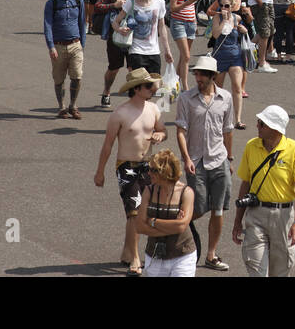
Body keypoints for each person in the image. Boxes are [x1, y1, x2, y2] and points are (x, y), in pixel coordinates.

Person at [93, 67, 166, 276]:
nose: (152, 89)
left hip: (148, 166)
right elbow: (107, 146)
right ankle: (135, 258)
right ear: (136, 89)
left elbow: (163, 129)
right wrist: (100, 172)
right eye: (148, 86)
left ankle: (127, 252)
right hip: (126, 167)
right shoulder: (120, 114)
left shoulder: (153, 109)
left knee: (141, 213)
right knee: (135, 213)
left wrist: (161, 135)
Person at [231, 104, 295, 277]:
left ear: (275, 129)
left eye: (262, 123)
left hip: (283, 217)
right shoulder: (251, 146)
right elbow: (245, 184)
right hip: (256, 215)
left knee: (281, 271)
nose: (257, 126)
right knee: (257, 270)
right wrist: (238, 221)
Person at [174, 55, 234, 272]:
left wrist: (230, 158)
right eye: (196, 74)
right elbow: (180, 130)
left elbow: (228, 131)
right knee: (198, 206)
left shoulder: (226, 98)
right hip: (196, 161)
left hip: (219, 159)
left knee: (218, 209)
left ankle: (211, 255)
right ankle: (177, 224)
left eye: (201, 75)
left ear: (212, 77)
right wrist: (187, 158)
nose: (197, 78)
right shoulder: (185, 98)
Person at [137, 149, 197, 277]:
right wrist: (173, 226)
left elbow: (181, 226)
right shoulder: (149, 190)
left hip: (183, 255)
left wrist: (152, 221)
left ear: (165, 171)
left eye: (153, 170)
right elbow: (139, 226)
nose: (148, 173)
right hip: (155, 255)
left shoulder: (186, 192)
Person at [44, 0, 88, 119]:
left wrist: (82, 43)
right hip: (58, 46)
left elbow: (82, 23)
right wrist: (51, 46)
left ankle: (73, 105)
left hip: (76, 45)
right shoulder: (52, 3)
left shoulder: (78, 1)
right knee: (59, 79)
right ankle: (61, 107)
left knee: (77, 76)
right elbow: (47, 26)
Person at [115, 0, 172, 76]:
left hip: (154, 51)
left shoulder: (159, 2)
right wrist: (119, 30)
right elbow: (115, 22)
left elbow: (162, 27)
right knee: (140, 84)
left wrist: (167, 50)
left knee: (155, 85)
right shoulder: (131, 3)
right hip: (136, 51)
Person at [209, 0, 251, 130]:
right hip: (220, 56)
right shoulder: (217, 17)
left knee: (237, 87)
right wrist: (224, 21)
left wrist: (243, 30)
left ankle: (237, 119)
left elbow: (244, 31)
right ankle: (218, 116)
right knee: (218, 89)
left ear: (232, 7)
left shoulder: (237, 18)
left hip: (235, 55)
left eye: (226, 6)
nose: (223, 8)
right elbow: (215, 34)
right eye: (221, 5)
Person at [96, 0, 136, 108]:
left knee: (134, 69)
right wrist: (114, 5)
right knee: (114, 68)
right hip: (115, 34)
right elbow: (98, 6)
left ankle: (135, 100)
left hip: (133, 35)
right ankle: (106, 92)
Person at [166, 0, 199, 89]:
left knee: (184, 56)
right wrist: (189, 1)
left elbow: (193, 7)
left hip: (190, 22)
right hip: (178, 22)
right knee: (186, 55)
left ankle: (177, 80)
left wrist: (195, 21)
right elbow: (173, 8)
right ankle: (185, 86)